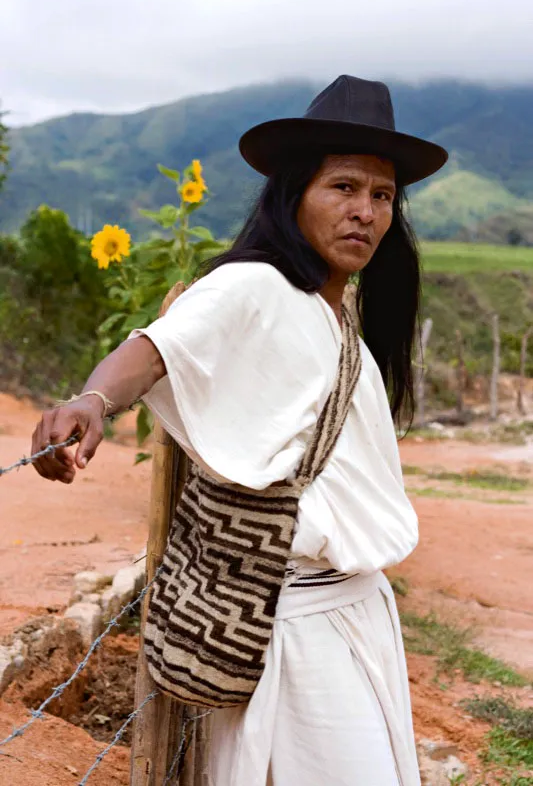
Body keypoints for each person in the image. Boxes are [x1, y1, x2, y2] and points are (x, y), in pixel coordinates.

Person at [31, 75, 448, 785]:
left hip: (350, 611)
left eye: (381, 196)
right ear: (293, 194)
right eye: (343, 187)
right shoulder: (253, 286)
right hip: (287, 625)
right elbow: (159, 346)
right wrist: (93, 400)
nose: (365, 212)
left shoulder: (336, 313)